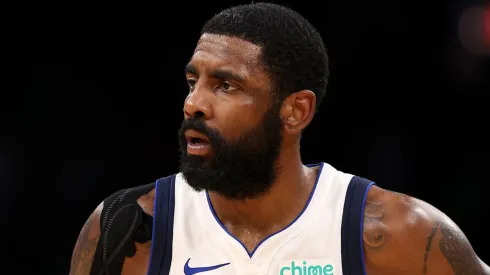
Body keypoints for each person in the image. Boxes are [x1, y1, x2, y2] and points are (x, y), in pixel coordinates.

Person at [70, 2, 489, 275]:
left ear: (296, 111)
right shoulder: (124, 232)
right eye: (192, 81)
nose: (193, 103)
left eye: (226, 85)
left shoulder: (401, 236)